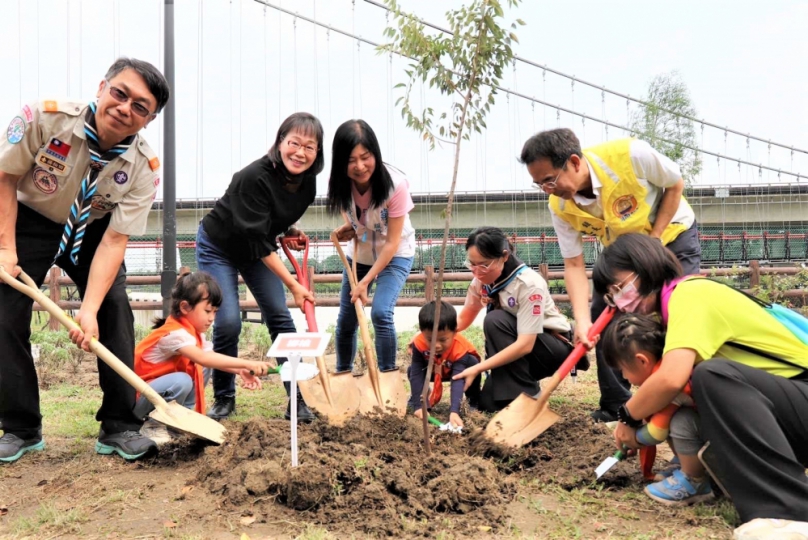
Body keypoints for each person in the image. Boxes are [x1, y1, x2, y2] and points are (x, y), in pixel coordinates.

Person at [0, 58, 170, 463]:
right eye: (120, 93)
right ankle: (21, 427)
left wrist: (89, 309)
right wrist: (6, 248)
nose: (125, 108)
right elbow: (5, 177)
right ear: (101, 87)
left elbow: (115, 239)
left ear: (148, 120)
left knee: (114, 310)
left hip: (94, 228)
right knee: (4, 314)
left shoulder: (144, 168)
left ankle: (119, 426)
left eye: (140, 107)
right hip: (29, 219)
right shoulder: (44, 118)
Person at [593, 233, 808, 539]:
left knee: (712, 376)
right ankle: (704, 478)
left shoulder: (690, 296)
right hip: (786, 410)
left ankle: (787, 512)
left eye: (618, 287)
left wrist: (628, 416)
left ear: (644, 265)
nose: (619, 299)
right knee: (699, 395)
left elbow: (670, 379)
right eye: (611, 296)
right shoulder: (671, 311)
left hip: (800, 393)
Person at [519, 128, 701, 423]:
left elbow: (675, 184)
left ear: (575, 162)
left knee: (676, 312)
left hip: (670, 238)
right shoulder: (560, 206)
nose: (547, 190)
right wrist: (582, 321)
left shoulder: (631, 155)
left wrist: (653, 241)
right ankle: (616, 404)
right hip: (624, 255)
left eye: (550, 180)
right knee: (601, 314)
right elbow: (574, 264)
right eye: (539, 184)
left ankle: (682, 398)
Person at [197, 112, 323, 422]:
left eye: (310, 146)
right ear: (281, 143)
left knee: (280, 317)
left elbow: (269, 219)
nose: (300, 152)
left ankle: (297, 399)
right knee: (227, 323)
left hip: (256, 248)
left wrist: (288, 229)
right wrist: (294, 285)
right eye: (294, 143)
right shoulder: (252, 177)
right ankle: (224, 398)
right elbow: (258, 240)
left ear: (318, 153)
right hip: (220, 247)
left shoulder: (307, 184)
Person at [134, 272, 273, 444]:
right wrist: (248, 362)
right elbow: (202, 358)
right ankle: (152, 425)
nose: (211, 318)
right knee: (182, 380)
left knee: (200, 368)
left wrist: (240, 370)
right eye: (207, 311)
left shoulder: (192, 334)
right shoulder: (174, 333)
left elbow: (209, 357)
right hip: (138, 399)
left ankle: (181, 422)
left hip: (154, 393)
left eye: (215, 312)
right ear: (185, 307)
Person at [451, 227, 574, 413]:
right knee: (488, 405)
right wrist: (429, 335)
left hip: (550, 347)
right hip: (517, 350)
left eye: (484, 264)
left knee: (496, 320)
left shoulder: (528, 284)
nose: (477, 272)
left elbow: (526, 344)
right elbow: (462, 320)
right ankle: (515, 395)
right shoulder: (481, 282)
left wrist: (478, 368)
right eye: (472, 264)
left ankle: (529, 399)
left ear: (504, 256)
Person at [327, 120, 415, 373]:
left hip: (395, 254)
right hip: (360, 255)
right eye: (351, 160)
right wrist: (351, 228)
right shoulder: (340, 183)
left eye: (365, 157)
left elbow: (392, 243)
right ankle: (343, 373)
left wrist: (365, 282)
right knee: (346, 319)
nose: (359, 166)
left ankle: (387, 374)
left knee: (380, 313)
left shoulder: (396, 186)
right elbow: (353, 218)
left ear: (375, 154)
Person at [602, 313, 712, 506]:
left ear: (642, 361)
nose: (624, 377)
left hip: (720, 437)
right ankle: (683, 461)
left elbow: (656, 432)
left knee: (681, 420)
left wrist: (635, 439)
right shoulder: (668, 365)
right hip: (711, 427)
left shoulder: (670, 385)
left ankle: (695, 479)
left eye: (623, 370)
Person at [407, 301, 481, 429]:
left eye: (443, 340)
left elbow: (457, 379)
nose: (436, 345)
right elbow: (417, 373)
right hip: (434, 371)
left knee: (472, 363)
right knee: (411, 370)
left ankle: (473, 401)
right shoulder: (419, 344)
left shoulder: (459, 347)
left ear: (455, 331)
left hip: (456, 371)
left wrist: (454, 411)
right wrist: (419, 406)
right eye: (430, 339)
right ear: (421, 332)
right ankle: (421, 397)